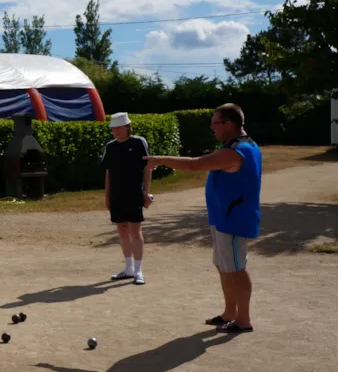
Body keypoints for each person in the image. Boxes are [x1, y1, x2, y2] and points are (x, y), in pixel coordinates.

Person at [144, 103, 262, 333]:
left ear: (229, 124)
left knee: (237, 269)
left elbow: (194, 164)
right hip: (223, 217)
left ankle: (243, 320)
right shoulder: (237, 146)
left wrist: (159, 159)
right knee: (224, 266)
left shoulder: (237, 150)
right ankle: (230, 313)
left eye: (215, 123)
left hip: (233, 219)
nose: (212, 128)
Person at [101, 112, 153, 285]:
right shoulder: (110, 146)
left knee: (135, 230)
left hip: (134, 193)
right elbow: (108, 172)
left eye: (118, 128)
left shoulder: (139, 142)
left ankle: (139, 270)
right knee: (122, 230)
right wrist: (107, 196)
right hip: (117, 195)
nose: (115, 131)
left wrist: (145, 191)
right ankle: (128, 267)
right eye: (113, 128)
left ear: (127, 127)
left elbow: (147, 168)